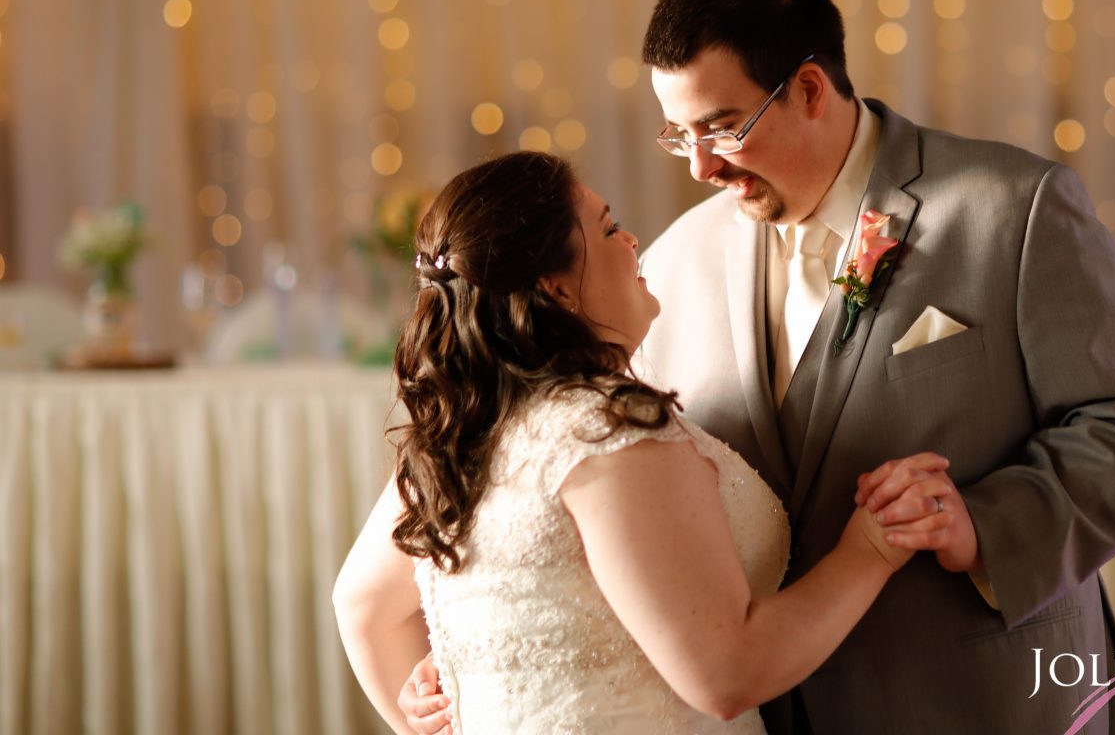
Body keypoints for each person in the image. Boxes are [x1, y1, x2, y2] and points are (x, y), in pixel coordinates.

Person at [632, 0, 1115, 732]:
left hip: (987, 705)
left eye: (722, 128)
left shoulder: (1016, 209)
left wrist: (985, 527)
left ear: (807, 89)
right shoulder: (673, 264)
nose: (698, 165)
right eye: (677, 134)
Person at [333, 151, 952, 734]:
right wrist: (870, 548)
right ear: (557, 289)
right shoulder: (608, 433)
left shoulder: (461, 433)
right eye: (608, 229)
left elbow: (364, 608)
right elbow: (727, 673)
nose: (631, 241)